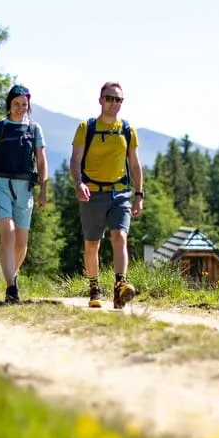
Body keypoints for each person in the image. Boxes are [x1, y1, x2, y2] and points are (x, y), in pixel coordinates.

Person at [0, 85, 48, 303]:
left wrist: (43, 189)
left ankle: (11, 275)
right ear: (9, 104)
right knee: (9, 233)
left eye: (24, 105)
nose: (20, 108)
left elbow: (41, 160)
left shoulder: (34, 129)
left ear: (28, 105)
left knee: (21, 244)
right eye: (16, 104)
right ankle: (11, 289)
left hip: (25, 188)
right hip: (0, 186)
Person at [69, 81, 143, 309]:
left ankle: (120, 285)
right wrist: (79, 182)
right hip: (92, 194)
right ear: (100, 100)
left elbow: (135, 162)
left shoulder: (127, 130)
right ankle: (94, 287)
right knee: (92, 245)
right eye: (109, 98)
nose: (113, 103)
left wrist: (139, 194)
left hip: (120, 193)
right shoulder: (86, 127)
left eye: (118, 99)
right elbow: (75, 160)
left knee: (120, 236)